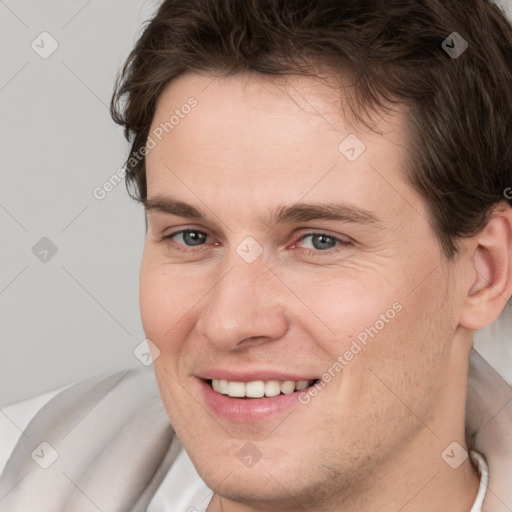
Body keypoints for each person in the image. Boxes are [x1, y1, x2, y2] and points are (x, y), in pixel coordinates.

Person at [1, 0, 512, 510]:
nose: (229, 322)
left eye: (319, 241)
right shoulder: (24, 465)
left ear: (482, 272)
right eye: (192, 237)